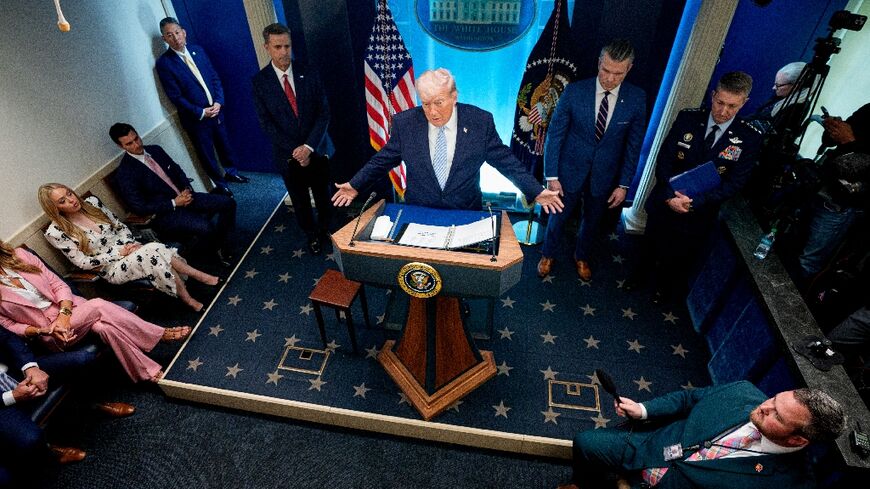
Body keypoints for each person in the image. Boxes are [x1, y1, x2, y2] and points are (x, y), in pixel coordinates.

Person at [332, 68, 564, 214]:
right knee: (418, 280)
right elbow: (382, 160)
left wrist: (535, 191)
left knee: (455, 282)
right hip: (419, 210)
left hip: (464, 211)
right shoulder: (405, 123)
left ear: (454, 97)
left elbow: (507, 162)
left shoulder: (479, 122)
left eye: (439, 102)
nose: (432, 112)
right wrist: (355, 185)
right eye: (425, 103)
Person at [560, 381, 845, 489]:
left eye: (777, 415)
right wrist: (643, 409)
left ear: (798, 440)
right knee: (586, 443)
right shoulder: (742, 392)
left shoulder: (791, 484)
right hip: (651, 447)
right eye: (774, 397)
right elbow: (689, 399)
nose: (764, 406)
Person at [641, 71, 762, 301]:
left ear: (744, 103)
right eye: (720, 102)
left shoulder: (749, 137)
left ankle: (663, 288)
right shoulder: (688, 118)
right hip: (666, 199)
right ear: (713, 95)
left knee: (680, 254)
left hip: (699, 210)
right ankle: (639, 275)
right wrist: (669, 195)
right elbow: (664, 158)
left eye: (732, 106)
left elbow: (735, 182)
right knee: (651, 240)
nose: (723, 111)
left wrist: (694, 202)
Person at [0, 240, 190, 383]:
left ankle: (146, 372)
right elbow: (10, 326)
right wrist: (42, 331)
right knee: (98, 304)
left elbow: (58, 285)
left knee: (103, 328)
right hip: (52, 333)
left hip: (72, 309)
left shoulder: (21, 255)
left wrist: (64, 315)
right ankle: (159, 334)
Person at [538, 39, 646, 280]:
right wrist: (551, 176)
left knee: (593, 220)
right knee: (558, 216)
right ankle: (548, 254)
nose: (609, 78)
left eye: (617, 73)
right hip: (568, 171)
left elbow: (633, 145)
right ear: (599, 63)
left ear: (628, 69)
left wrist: (624, 185)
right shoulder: (574, 92)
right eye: (605, 70)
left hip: (605, 174)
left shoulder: (637, 99)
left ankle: (582, 256)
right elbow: (555, 135)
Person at [39, 183, 221, 312]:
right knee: (152, 250)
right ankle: (198, 280)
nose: (71, 200)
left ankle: (189, 298)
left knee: (152, 252)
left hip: (132, 249)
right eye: (62, 201)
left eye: (69, 194)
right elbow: (82, 262)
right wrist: (119, 253)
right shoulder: (56, 232)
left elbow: (119, 225)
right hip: (111, 268)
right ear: (55, 209)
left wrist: (128, 244)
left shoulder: (92, 204)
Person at [251, 23, 334, 255]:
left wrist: (308, 147)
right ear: (267, 47)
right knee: (301, 203)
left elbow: (323, 112)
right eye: (278, 47)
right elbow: (267, 124)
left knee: (323, 195)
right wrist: (297, 151)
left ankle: (327, 230)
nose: (284, 52)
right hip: (288, 156)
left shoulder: (310, 71)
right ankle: (311, 235)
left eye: (287, 45)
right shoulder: (260, 82)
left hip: (317, 149)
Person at [109, 122, 237, 265]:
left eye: (136, 138)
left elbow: (177, 170)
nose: (137, 145)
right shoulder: (125, 173)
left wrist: (186, 188)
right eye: (129, 144)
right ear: (121, 147)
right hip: (166, 213)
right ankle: (218, 251)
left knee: (228, 203)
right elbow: (140, 207)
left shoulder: (155, 150)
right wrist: (174, 202)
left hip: (186, 197)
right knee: (205, 227)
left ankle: (220, 241)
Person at [155, 16, 248, 197]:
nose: (175, 37)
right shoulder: (164, 64)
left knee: (225, 145)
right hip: (196, 119)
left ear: (184, 32)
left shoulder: (198, 50)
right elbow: (175, 96)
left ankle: (232, 172)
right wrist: (200, 111)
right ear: (164, 39)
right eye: (169, 35)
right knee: (207, 154)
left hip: (216, 110)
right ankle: (220, 185)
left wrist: (219, 102)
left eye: (177, 32)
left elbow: (214, 78)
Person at [798, 103, 870, 280]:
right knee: (792, 241)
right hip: (822, 187)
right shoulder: (868, 110)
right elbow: (831, 142)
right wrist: (833, 129)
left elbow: (861, 165)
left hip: (842, 204)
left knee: (807, 262)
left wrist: (850, 142)